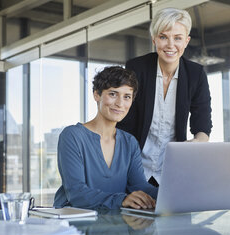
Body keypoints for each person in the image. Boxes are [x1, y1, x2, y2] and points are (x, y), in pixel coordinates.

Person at [117, 8, 212, 186]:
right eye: (163, 37)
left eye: (177, 38)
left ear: (186, 41)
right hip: (135, 169)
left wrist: (196, 143)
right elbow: (123, 123)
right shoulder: (137, 68)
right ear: (154, 40)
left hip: (173, 172)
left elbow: (203, 126)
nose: (170, 45)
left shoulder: (196, 74)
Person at [54, 66, 157, 210]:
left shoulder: (129, 142)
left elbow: (139, 186)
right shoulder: (72, 136)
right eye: (113, 94)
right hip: (76, 225)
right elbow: (76, 193)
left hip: (114, 226)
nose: (120, 104)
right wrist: (122, 200)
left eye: (127, 96)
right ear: (97, 95)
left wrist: (169, 195)